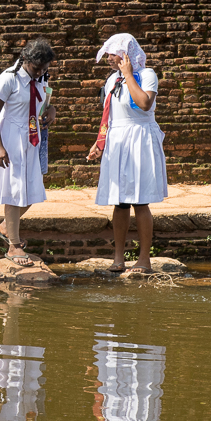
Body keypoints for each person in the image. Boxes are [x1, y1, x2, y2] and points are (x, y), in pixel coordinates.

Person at [0, 38, 57, 266]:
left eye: (44, 68)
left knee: (31, 189)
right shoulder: (9, 78)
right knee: (15, 189)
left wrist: (51, 111)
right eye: (36, 68)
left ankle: (5, 227)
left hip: (32, 138)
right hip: (10, 136)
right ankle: (14, 246)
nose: (39, 72)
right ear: (25, 60)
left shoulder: (41, 78)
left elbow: (45, 102)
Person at [87, 33, 167, 274]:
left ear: (128, 54)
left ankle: (144, 259)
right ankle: (118, 257)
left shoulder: (147, 75)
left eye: (114, 54)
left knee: (140, 201)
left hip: (140, 141)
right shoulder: (112, 81)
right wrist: (99, 143)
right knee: (120, 202)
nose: (110, 58)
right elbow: (109, 117)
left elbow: (144, 104)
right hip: (117, 142)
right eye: (109, 54)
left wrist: (129, 74)